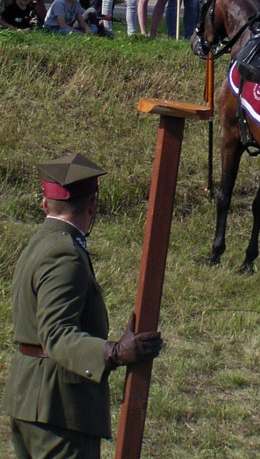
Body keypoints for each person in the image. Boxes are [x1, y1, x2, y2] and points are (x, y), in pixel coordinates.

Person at [2, 153, 162, 459]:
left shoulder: (39, 244)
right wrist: (114, 352)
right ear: (92, 205)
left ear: (45, 203)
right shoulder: (64, 253)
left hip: (31, 399)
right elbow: (56, 333)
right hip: (58, 408)